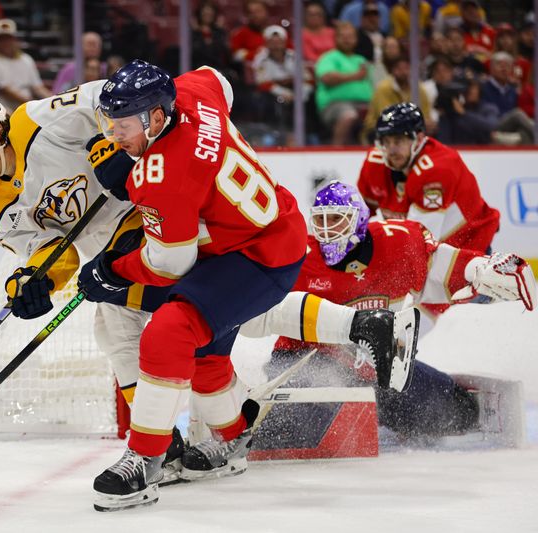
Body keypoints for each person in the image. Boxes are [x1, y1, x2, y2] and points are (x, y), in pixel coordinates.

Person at [0, 69, 418, 507]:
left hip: (153, 227)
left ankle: (156, 450)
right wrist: (34, 279)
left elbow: (98, 101)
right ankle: (223, 429)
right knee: (197, 326)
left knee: (175, 324)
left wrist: (104, 148)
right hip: (165, 231)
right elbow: (50, 250)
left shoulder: (36, 122)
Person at [77, 60, 418, 512]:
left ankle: (144, 459)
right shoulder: (192, 91)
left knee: (170, 331)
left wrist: (111, 272)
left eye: (122, 126)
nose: (113, 135)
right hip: (263, 232)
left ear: (156, 118)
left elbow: (168, 264)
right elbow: (219, 78)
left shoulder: (163, 177)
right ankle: (234, 439)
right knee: (206, 352)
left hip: (256, 255)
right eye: (109, 123)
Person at [255, 180, 535, 441]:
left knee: (450, 411)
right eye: (321, 220)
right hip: (305, 359)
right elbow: (259, 308)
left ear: (359, 221)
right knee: (301, 424)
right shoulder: (299, 258)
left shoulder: (398, 242)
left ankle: (469, 412)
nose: (327, 230)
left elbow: (442, 265)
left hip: (379, 364)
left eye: (336, 219)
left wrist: (479, 268)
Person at [357, 102, 500, 326]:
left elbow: (416, 243)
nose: (391, 149)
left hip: (466, 251)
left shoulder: (438, 168)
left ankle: (487, 293)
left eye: (398, 141)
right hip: (427, 250)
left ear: (419, 137)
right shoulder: (374, 165)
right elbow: (360, 222)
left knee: (458, 329)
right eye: (386, 141)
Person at [0, 18, 51, 113]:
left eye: (7, 38)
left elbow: (37, 87)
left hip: (27, 105)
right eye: (1, 39)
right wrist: (32, 103)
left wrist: (52, 100)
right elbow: (6, 90)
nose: (5, 42)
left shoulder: (26, 59)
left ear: (14, 39)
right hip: (5, 107)